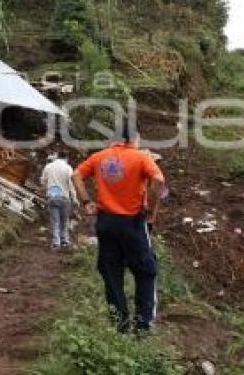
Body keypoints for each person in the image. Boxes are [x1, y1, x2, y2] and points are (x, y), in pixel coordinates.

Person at [72, 122, 165, 333]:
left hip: (105, 223)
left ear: (114, 139)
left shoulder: (99, 157)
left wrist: (87, 202)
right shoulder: (142, 157)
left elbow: (76, 175)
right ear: (134, 139)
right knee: (146, 271)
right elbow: (158, 180)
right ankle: (143, 325)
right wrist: (151, 213)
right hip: (133, 223)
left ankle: (120, 324)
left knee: (111, 272)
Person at [40, 153, 77, 250]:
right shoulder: (68, 168)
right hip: (64, 197)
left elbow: (43, 181)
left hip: (52, 197)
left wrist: (46, 190)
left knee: (55, 221)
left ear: (57, 157)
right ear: (66, 158)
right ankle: (65, 241)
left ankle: (56, 243)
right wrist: (74, 198)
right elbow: (71, 185)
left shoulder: (48, 166)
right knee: (65, 221)